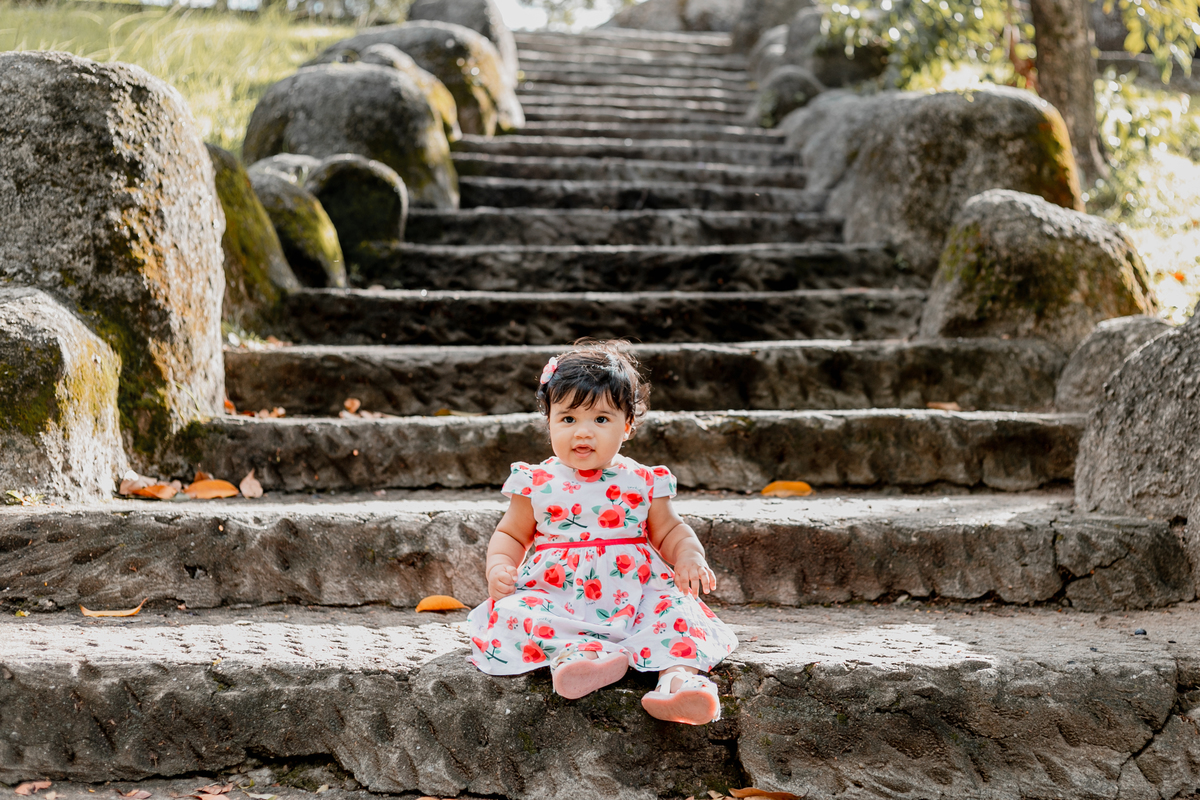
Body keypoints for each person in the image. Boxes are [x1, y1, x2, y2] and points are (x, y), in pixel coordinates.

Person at [465, 339, 738, 725]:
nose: (583, 433)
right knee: (515, 612)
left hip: (636, 594)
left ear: (627, 426)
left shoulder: (642, 480)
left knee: (678, 611)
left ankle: (678, 683)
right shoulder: (536, 481)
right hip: (559, 594)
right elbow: (511, 534)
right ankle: (582, 659)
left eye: (601, 419)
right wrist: (498, 567)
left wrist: (689, 555)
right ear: (549, 422)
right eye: (568, 419)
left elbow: (669, 530)